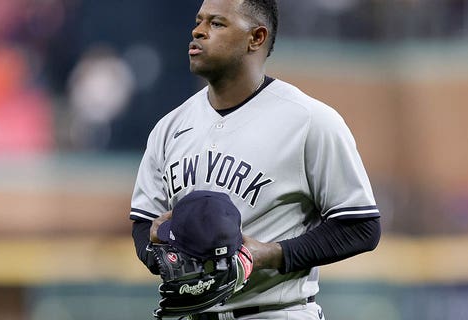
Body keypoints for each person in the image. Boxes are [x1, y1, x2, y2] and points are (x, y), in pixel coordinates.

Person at [130, 0, 381, 319]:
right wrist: (160, 253)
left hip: (276, 311)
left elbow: (361, 226)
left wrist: (271, 254)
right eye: (199, 21)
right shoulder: (169, 127)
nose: (198, 31)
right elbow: (143, 220)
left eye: (217, 24)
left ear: (256, 37)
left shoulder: (309, 121)